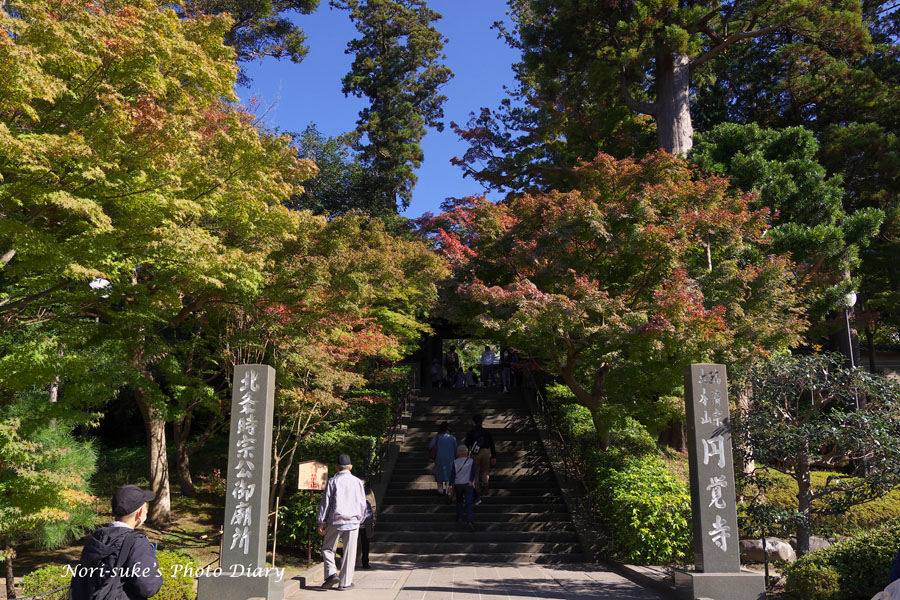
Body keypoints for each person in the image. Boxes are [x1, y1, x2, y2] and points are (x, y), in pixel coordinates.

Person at [69, 485, 163, 600]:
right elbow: (147, 586)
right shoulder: (137, 542)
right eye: (145, 507)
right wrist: (157, 577)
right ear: (140, 512)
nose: (147, 511)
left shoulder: (97, 537)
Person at [317, 454, 367, 590]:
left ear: (337, 467)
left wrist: (321, 521)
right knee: (350, 552)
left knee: (328, 548)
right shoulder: (357, 482)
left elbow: (325, 503)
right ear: (351, 467)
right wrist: (361, 519)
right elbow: (363, 503)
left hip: (335, 520)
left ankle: (331, 574)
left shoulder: (333, 481)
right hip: (353, 521)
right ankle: (345, 583)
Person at [465, 414, 497, 500]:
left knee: (475, 471)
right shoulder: (486, 432)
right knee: (485, 470)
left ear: (473, 422)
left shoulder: (471, 432)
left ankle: (476, 489)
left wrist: (468, 453)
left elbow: (467, 443)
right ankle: (485, 486)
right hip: (486, 451)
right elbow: (492, 444)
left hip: (475, 453)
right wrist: (493, 456)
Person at [449, 445, 477, 530]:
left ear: (458, 453)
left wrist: (450, 485)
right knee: (468, 503)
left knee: (459, 501)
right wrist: (471, 481)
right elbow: (473, 472)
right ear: (466, 452)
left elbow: (453, 475)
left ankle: (459, 517)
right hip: (468, 484)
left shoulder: (455, 462)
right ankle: (470, 520)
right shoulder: (471, 461)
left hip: (458, 484)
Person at [428, 422, 458, 496]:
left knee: (439, 475)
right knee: (448, 476)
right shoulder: (452, 438)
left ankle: (440, 490)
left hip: (439, 458)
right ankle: (448, 492)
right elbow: (455, 449)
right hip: (450, 459)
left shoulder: (437, 437)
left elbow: (431, 446)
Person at [357, 474, 376, 570]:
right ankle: (357, 561)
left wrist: (373, 518)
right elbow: (373, 506)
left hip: (364, 520)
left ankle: (365, 561)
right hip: (358, 520)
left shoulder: (368, 491)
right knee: (359, 543)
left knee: (365, 543)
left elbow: (373, 506)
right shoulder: (355, 489)